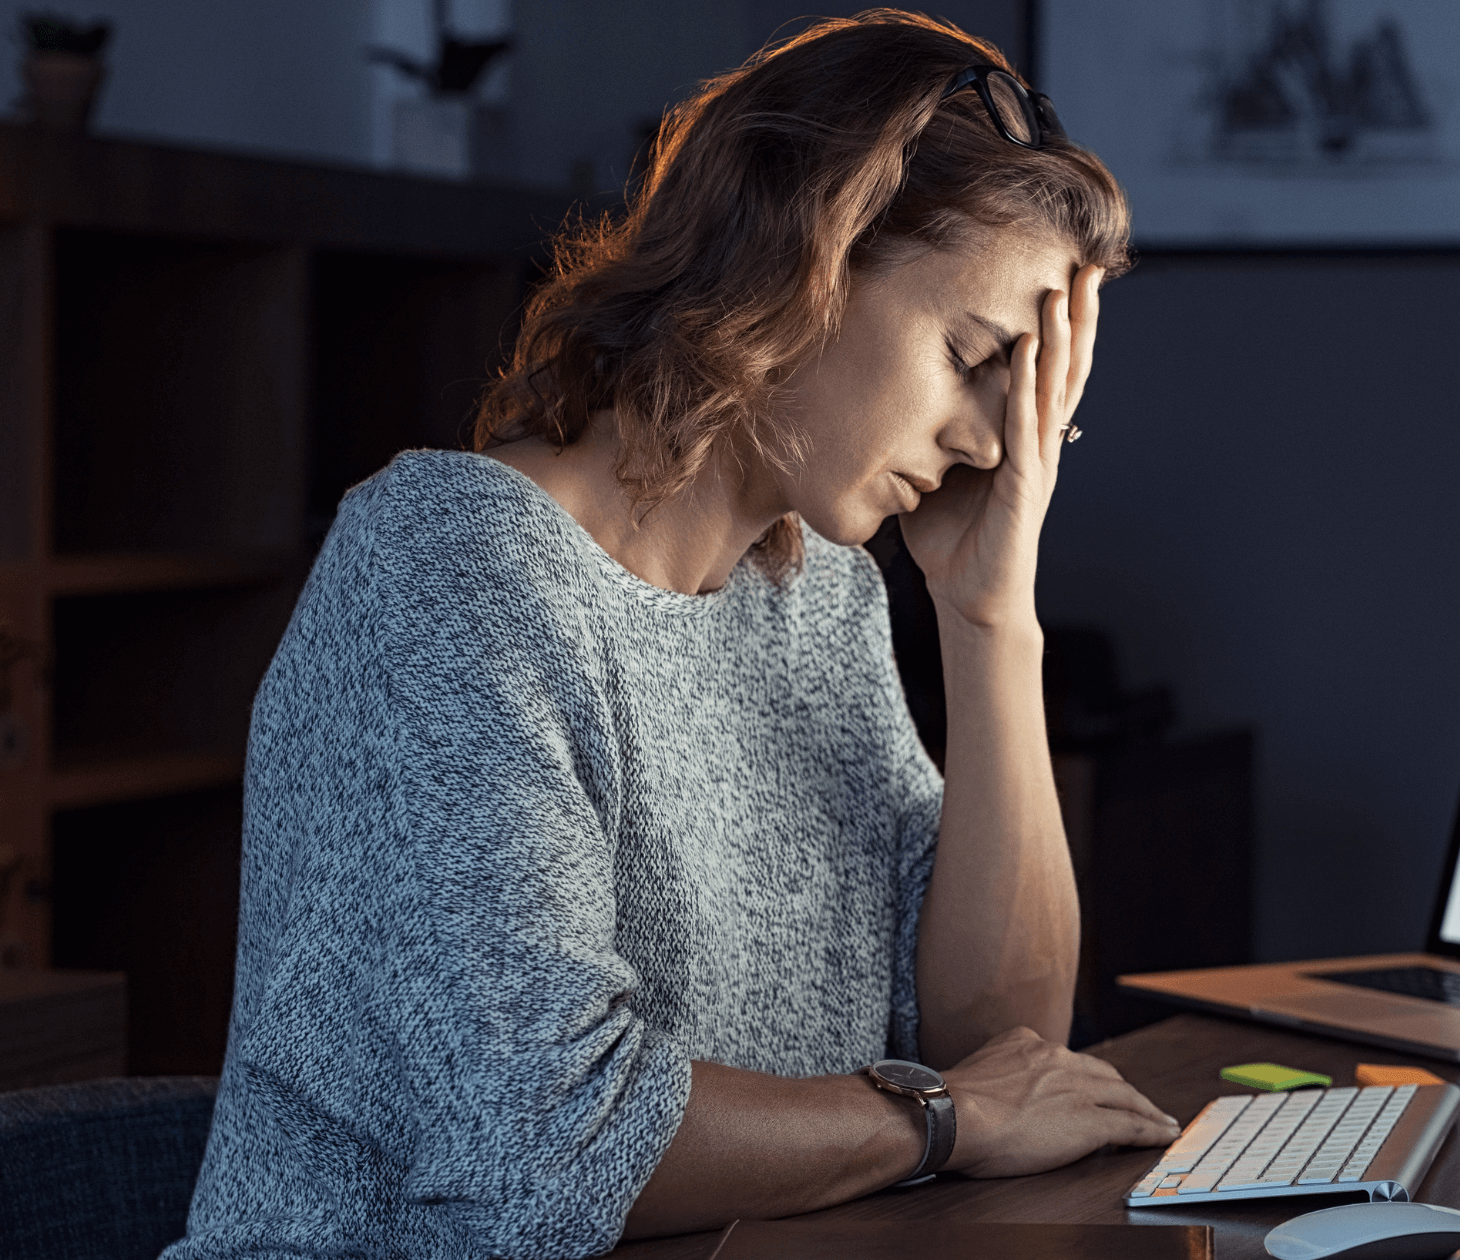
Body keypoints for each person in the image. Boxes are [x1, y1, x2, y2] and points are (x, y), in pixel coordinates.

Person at [166, 13, 1179, 1259]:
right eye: (973, 357)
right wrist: (942, 1121)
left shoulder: (819, 594)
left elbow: (1000, 1060)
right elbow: (548, 1146)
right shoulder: (451, 567)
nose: (988, 442)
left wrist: (989, 617)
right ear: (804, 257)